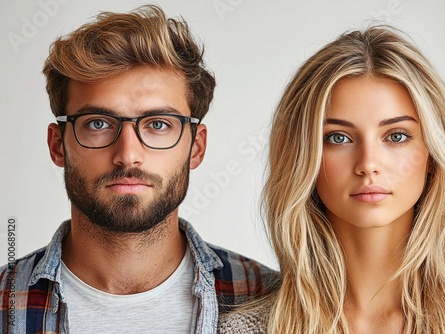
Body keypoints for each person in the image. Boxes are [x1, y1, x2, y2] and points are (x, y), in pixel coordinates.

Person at [0, 5, 275, 334]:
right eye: (98, 123)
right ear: (58, 144)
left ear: (196, 147)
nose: (128, 155)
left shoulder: (270, 302)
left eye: (158, 124)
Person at [218, 25, 445, 333]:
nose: (368, 164)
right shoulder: (244, 329)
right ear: (303, 157)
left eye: (396, 136)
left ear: (432, 155)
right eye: (338, 137)